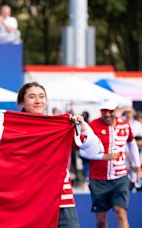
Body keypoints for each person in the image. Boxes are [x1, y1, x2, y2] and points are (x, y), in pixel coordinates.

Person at [16, 82, 112, 228]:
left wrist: (83, 127)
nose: (38, 100)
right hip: (30, 201)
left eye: (42, 96)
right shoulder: (14, 127)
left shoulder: (59, 125)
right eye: (32, 96)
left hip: (62, 199)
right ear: (22, 102)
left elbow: (95, 150)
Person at [88, 99, 142, 228]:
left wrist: (137, 167)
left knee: (121, 212)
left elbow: (132, 144)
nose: (107, 114)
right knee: (101, 221)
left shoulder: (124, 125)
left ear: (115, 111)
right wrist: (104, 156)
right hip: (98, 178)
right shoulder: (92, 126)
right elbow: (83, 151)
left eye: (110, 111)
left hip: (120, 177)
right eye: (104, 111)